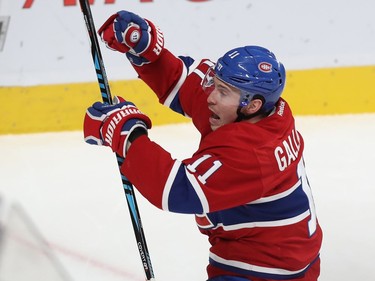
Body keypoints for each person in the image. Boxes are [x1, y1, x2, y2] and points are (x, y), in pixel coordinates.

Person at [83, 10, 323, 281]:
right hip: (283, 255)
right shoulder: (257, 110)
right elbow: (185, 84)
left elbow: (177, 190)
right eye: (216, 84)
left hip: (263, 271)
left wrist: (126, 134)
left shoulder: (252, 152)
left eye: (223, 92)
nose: (212, 96)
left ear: (252, 105)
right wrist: (148, 53)